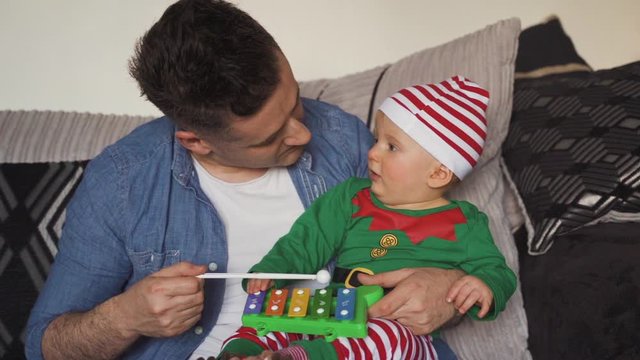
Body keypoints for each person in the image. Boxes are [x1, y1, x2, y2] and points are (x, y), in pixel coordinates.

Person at [25, 1, 464, 359]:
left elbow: (425, 244)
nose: (304, 133)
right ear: (197, 141)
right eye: (273, 137)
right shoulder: (121, 183)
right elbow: (44, 345)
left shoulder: (343, 138)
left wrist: (442, 286)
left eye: (295, 104)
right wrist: (125, 317)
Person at [218, 77, 518, 360]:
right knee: (271, 313)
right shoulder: (351, 197)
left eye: (392, 147)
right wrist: (274, 270)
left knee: (388, 335)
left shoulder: (464, 222)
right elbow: (307, 240)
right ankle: (241, 352)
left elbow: (498, 272)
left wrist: (484, 284)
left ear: (438, 173)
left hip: (400, 334)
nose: (373, 153)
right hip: (333, 314)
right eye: (377, 140)